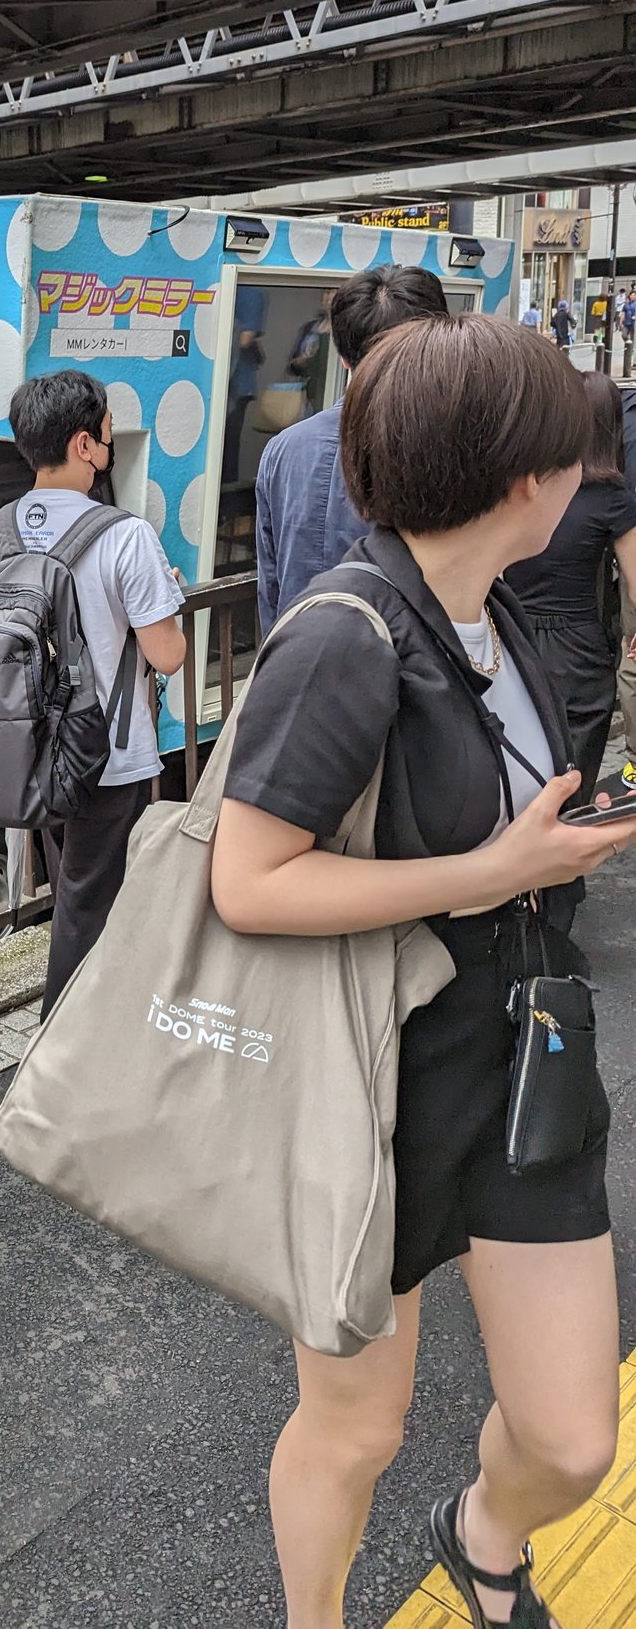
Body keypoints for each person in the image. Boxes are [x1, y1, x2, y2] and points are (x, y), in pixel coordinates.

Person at [213, 313, 636, 1629]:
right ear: (526, 481)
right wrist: (490, 875)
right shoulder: (344, 633)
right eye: (578, 458)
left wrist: (554, 846)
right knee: (353, 1428)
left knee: (570, 1436)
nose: (593, 477)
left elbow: (486, 815)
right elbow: (245, 880)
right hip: (370, 1085)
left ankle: (481, 1534)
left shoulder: (492, 609)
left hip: (522, 1052)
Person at [0, 371, 186, 1017]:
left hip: (33, 752)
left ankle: (81, 1041)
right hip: (108, 758)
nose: (111, 448)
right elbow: (167, 654)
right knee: (91, 909)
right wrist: (167, 597)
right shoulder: (126, 537)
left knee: (73, 890)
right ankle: (61, 1054)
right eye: (108, 436)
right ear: (85, 445)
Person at [256, 264, 450, 630]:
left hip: (293, 660)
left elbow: (271, 585)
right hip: (401, 672)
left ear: (343, 358)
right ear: (433, 348)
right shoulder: (444, 449)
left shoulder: (283, 450)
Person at [504, 370, 636, 806]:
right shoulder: (613, 498)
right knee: (572, 782)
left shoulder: (525, 484)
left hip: (513, 636)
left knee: (514, 766)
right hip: (578, 648)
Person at [222, 281, 268, 483]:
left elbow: (245, 339)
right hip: (232, 381)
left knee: (228, 447)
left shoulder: (251, 290)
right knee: (226, 446)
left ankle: (226, 502)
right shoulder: (248, 291)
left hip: (237, 385)